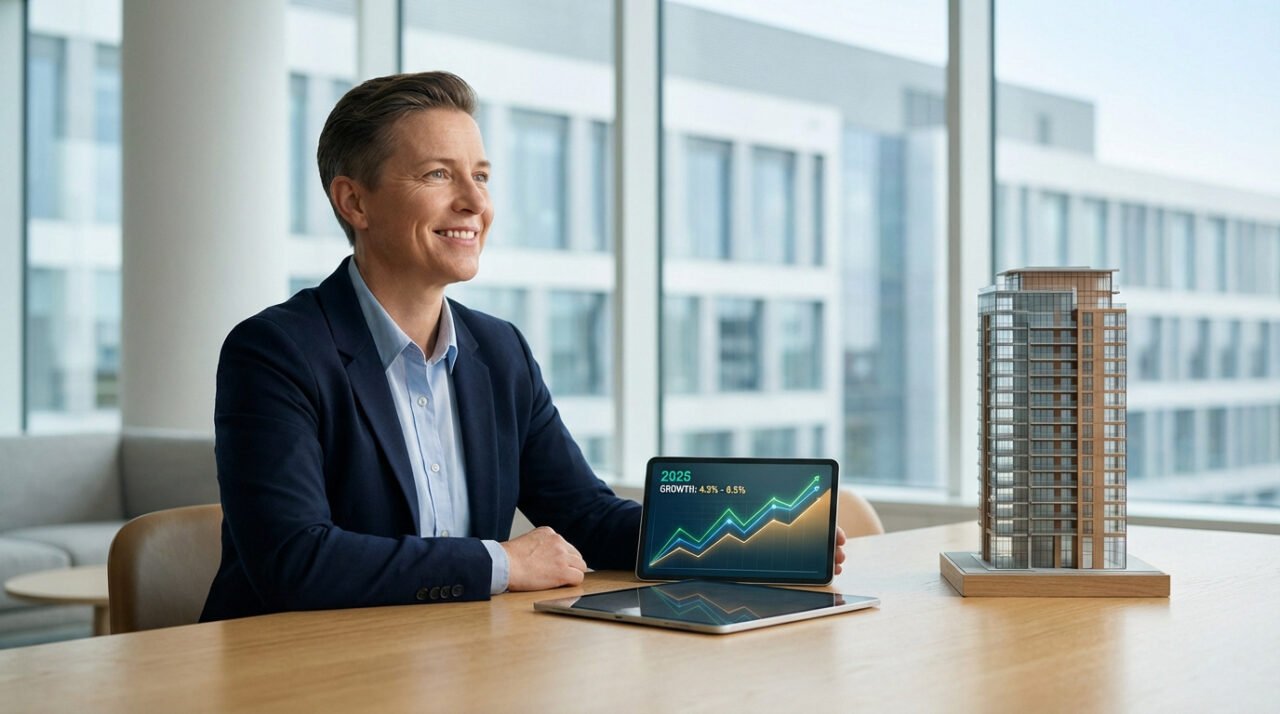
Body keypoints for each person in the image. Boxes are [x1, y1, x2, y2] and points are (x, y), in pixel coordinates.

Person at [201, 71, 844, 622]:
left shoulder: (498, 351)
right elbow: (295, 559)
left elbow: (584, 515)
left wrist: (749, 537)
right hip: (293, 674)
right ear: (354, 202)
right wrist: (500, 562)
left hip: (449, 659)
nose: (475, 201)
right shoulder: (275, 352)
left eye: (481, 175)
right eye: (437, 174)